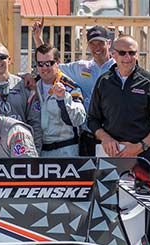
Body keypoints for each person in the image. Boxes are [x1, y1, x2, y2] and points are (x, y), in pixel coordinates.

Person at [32, 22, 115, 154]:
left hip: (114, 136)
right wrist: (38, 39)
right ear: (88, 46)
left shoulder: (119, 67)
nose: (96, 47)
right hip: (88, 136)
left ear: (109, 43)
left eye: (100, 43)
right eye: (92, 44)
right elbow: (50, 64)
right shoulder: (81, 67)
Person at [87, 35, 150, 161]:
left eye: (132, 53)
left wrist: (140, 146)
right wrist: (105, 138)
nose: (127, 57)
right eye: (122, 53)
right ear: (113, 54)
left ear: (137, 55)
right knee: (108, 182)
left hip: (142, 156)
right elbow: (92, 119)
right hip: (109, 154)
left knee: (142, 182)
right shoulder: (103, 82)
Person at [0, 42, 42, 148]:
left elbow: (35, 122)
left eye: (1, 57)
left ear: (9, 60)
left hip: (21, 146)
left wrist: (36, 150)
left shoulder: (24, 84)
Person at [33, 44, 86, 157]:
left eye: (49, 63)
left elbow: (78, 119)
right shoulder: (31, 86)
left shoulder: (70, 87)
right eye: (40, 64)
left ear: (58, 63)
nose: (44, 68)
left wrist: (63, 99)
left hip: (65, 151)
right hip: (39, 151)